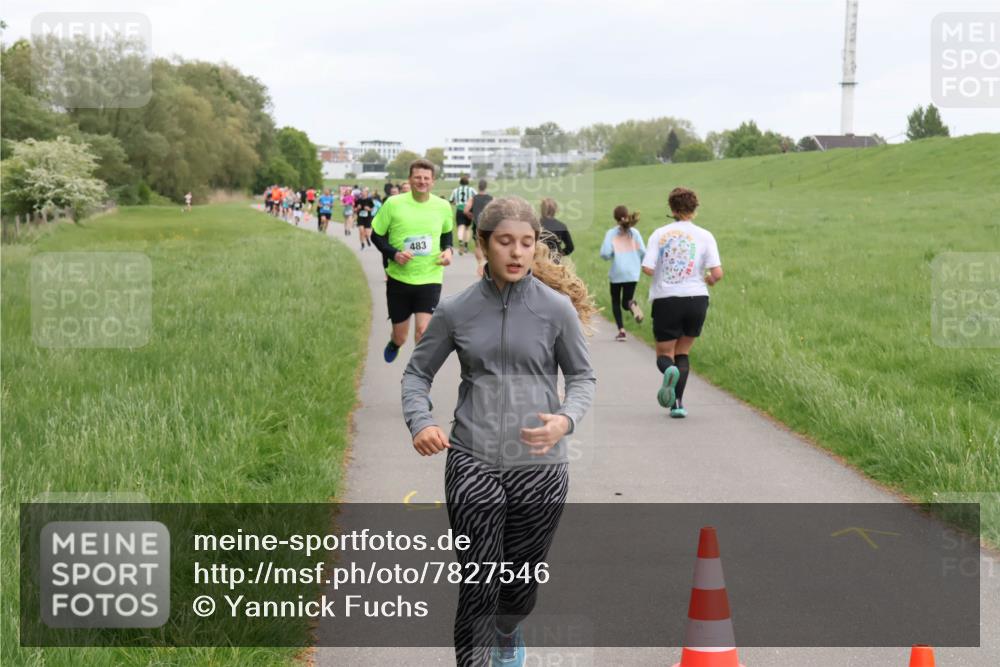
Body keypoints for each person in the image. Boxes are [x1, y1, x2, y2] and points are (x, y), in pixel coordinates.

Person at [401, 195, 597, 667]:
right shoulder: (455, 310)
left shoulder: (555, 309)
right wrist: (421, 421)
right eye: (505, 242)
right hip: (473, 458)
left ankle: (509, 629)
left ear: (535, 248)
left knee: (519, 586)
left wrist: (565, 420)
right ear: (483, 246)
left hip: (540, 465)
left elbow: (582, 377)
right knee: (478, 582)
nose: (516, 252)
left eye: (526, 243)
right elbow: (416, 374)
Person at [641, 187, 723, 418]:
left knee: (664, 354)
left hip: (667, 299)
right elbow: (717, 272)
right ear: (695, 208)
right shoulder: (706, 235)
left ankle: (669, 371)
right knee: (683, 352)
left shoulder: (659, 234)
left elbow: (647, 268)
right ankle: (677, 404)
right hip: (697, 298)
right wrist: (709, 280)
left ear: (672, 208)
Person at [370, 158, 454, 363]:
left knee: (423, 332)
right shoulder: (393, 204)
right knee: (401, 336)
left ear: (433, 181)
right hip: (399, 278)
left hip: (430, 277)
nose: (422, 181)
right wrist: (394, 254)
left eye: (426, 178)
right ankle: (395, 343)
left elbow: (446, 235)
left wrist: (448, 251)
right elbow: (376, 235)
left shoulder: (442, 206)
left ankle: (418, 378)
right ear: (410, 179)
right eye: (418, 177)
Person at [600, 205, 646, 341]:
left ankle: (621, 331)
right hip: (633, 273)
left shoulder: (611, 233)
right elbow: (643, 252)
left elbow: (604, 253)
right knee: (627, 302)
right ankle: (634, 307)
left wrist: (611, 255)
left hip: (617, 273)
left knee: (615, 302)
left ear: (615, 218)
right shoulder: (635, 233)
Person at [466, 179, 493, 277]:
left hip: (477, 224)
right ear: (486, 186)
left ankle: (481, 264)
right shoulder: (491, 198)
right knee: (490, 244)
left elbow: (466, 210)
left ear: (478, 187)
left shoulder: (473, 198)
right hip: (489, 225)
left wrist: (471, 216)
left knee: (478, 245)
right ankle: (489, 265)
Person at [448, 175, 477, 255]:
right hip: (468, 210)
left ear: (460, 182)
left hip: (459, 210)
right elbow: (477, 198)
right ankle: (466, 245)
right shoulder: (471, 190)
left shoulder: (455, 190)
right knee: (467, 228)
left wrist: (456, 203)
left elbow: (451, 200)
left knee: (461, 227)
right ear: (468, 182)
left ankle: (461, 241)